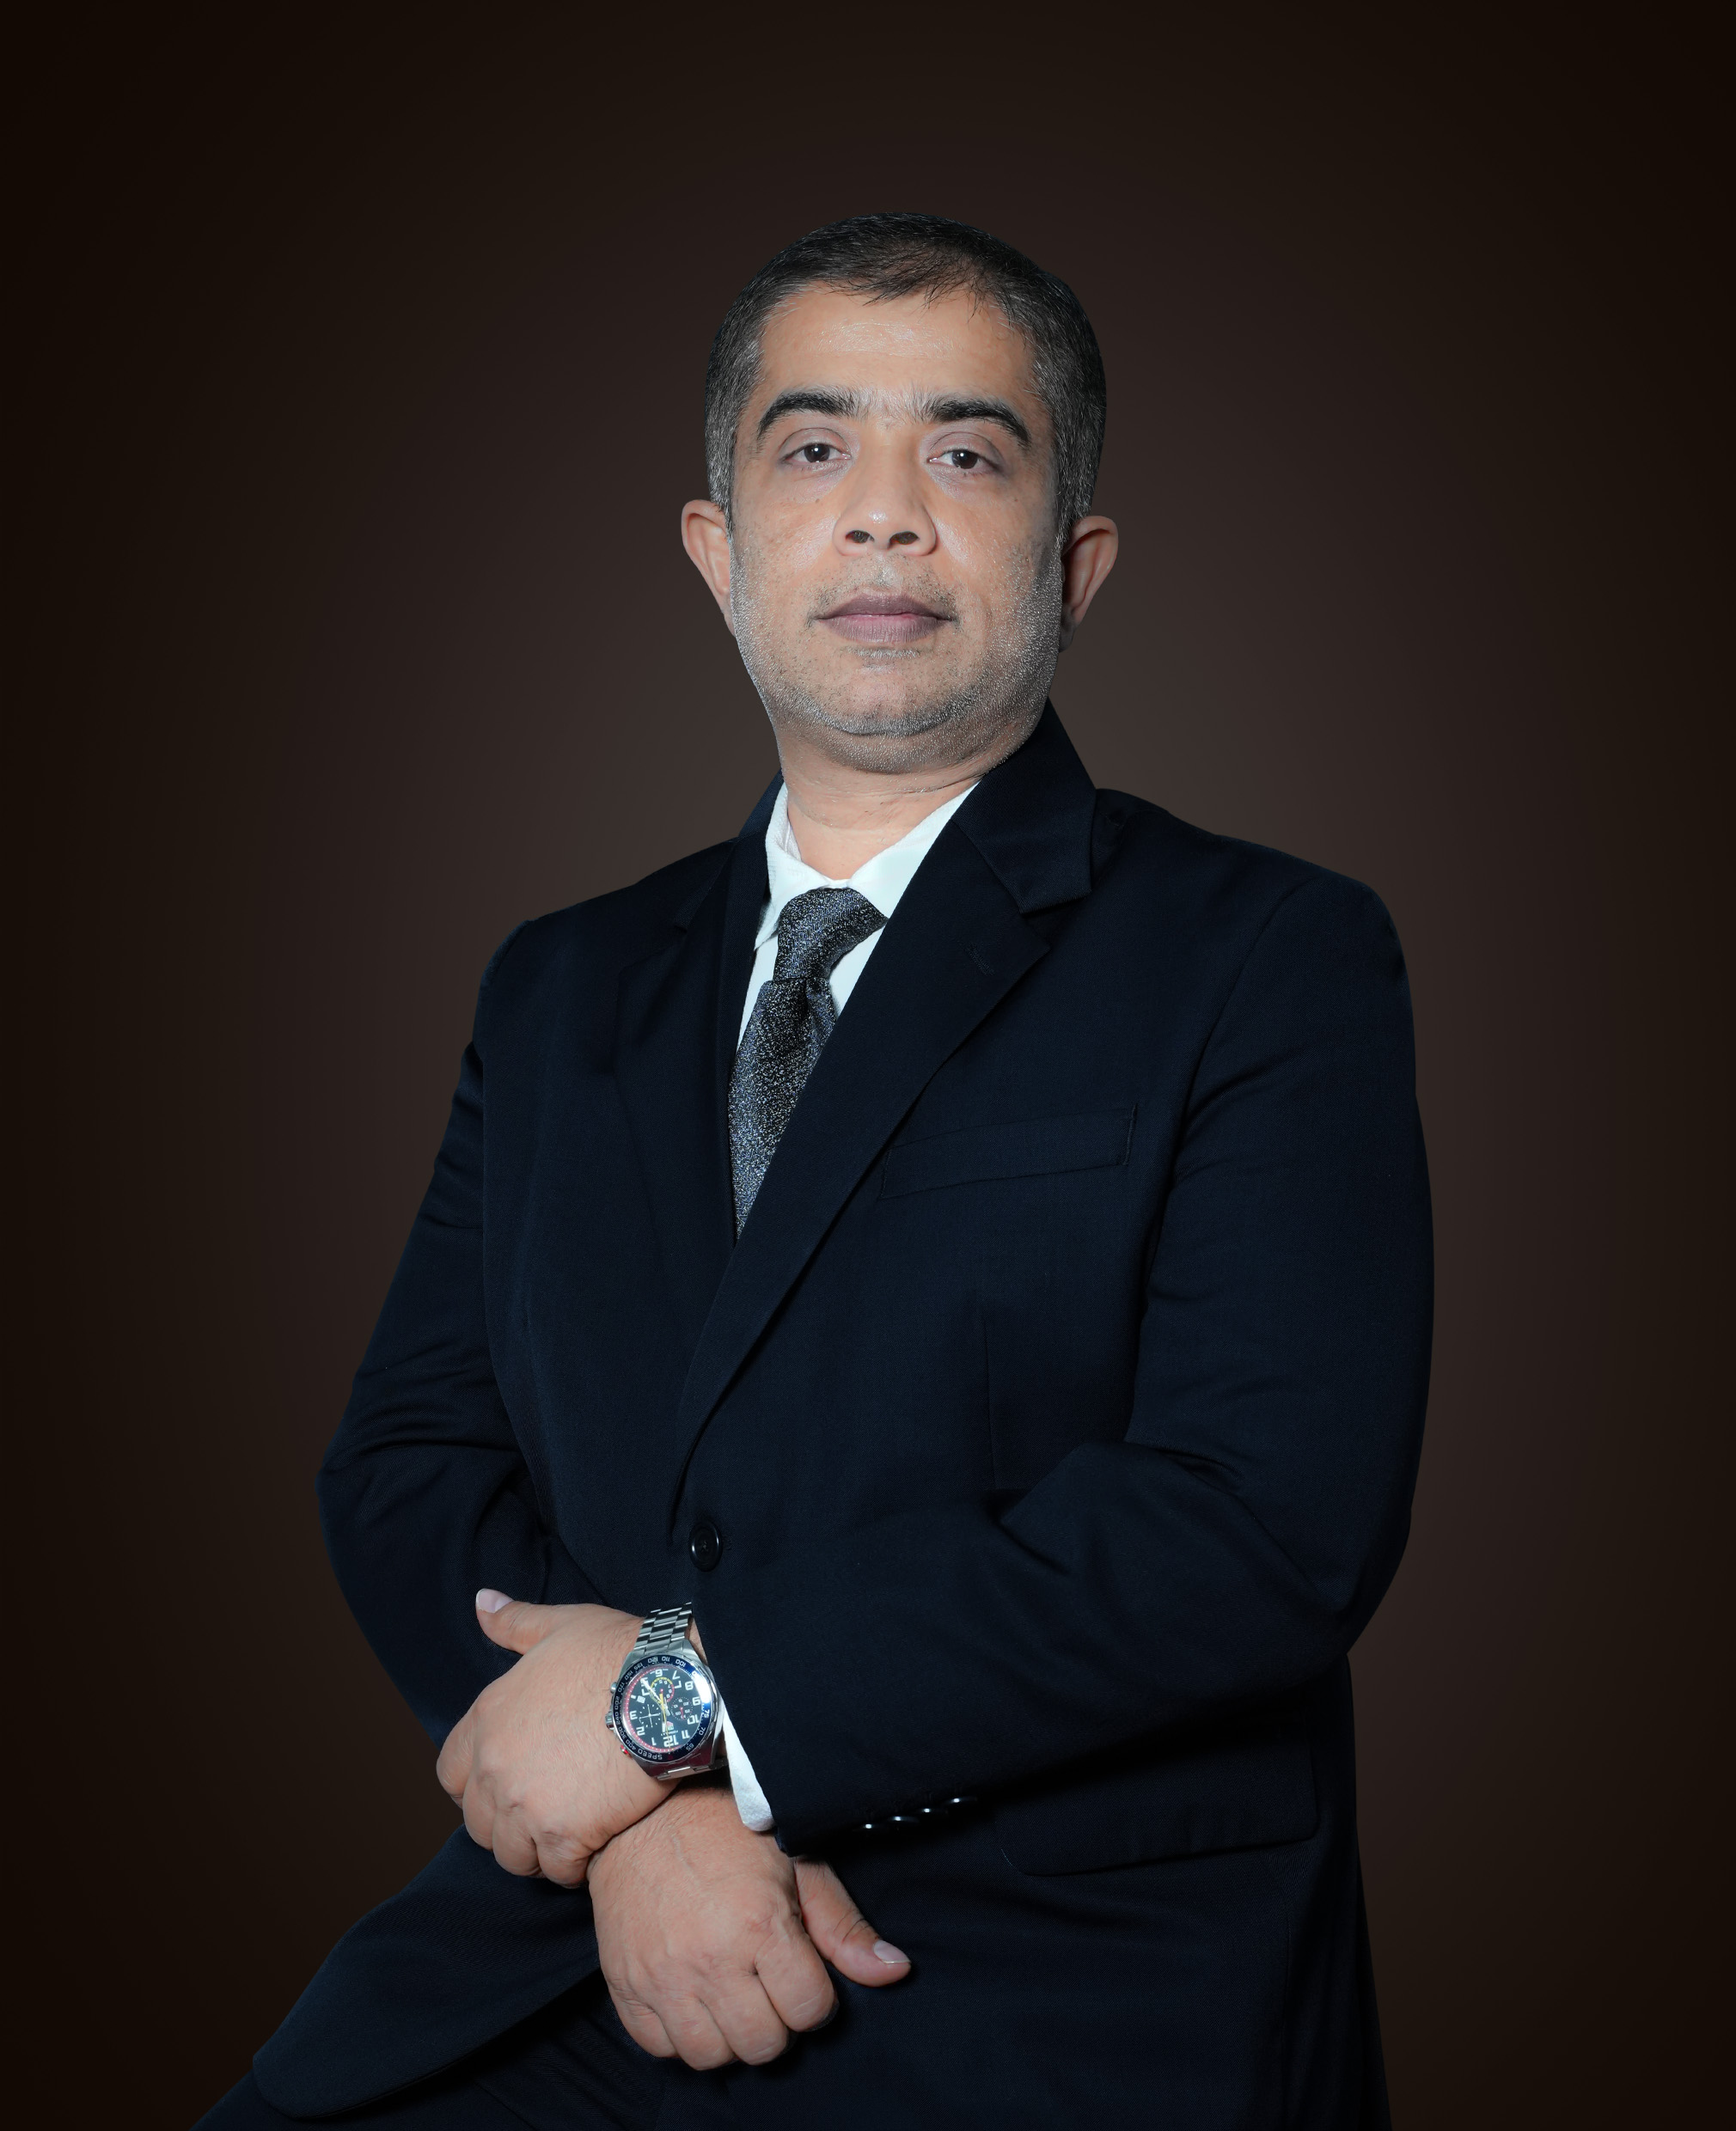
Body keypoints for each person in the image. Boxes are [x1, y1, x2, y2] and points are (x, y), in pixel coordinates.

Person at [200, 212, 1431, 2129]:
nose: (883, 514)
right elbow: (410, 1464)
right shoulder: (560, 988)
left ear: (1074, 561)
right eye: (812, 446)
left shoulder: (1267, 955)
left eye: (967, 453)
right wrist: (645, 1819)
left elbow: (1257, 1526)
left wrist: (680, 1709)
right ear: (717, 552)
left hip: (1054, 1977)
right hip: (569, 1951)